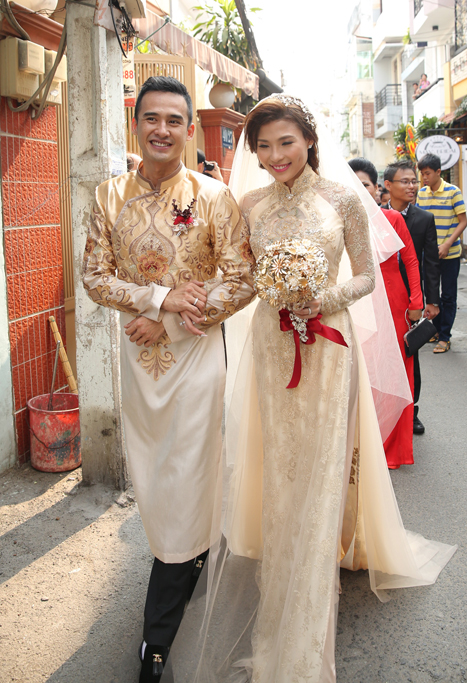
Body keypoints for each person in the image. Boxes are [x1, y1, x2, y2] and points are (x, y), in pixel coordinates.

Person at [180, 95, 456, 683]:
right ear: (252, 151)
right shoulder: (247, 204)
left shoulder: (341, 199)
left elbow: (362, 276)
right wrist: (197, 308)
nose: (275, 155)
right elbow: (243, 280)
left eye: (286, 142)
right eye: (263, 145)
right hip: (272, 349)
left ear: (308, 139)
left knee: (324, 467)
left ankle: (307, 610)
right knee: (282, 468)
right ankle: (285, 568)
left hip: (330, 350)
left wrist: (318, 300)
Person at [82, 75, 255, 683]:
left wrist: (175, 325)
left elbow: (242, 279)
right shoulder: (107, 197)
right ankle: (192, 557)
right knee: (157, 488)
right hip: (139, 363)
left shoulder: (214, 197)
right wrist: (156, 301)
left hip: (199, 360)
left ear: (188, 129)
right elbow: (94, 277)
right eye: (150, 118)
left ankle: (158, 642)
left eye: (173, 121)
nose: (161, 130)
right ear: (137, 124)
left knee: (184, 481)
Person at [349, 157, 423, 468]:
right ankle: (363, 443)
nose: (359, 189)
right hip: (356, 302)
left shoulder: (392, 218)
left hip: (394, 303)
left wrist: (416, 302)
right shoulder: (339, 219)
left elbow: (411, 260)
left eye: (364, 183)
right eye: (352, 183)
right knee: (363, 371)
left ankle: (392, 447)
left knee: (393, 371)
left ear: (376, 188)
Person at [383, 159, 440, 434]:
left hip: (410, 301)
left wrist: (431, 301)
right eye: (405, 181)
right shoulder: (376, 217)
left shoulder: (424, 219)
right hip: (382, 296)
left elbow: (429, 262)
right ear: (388, 185)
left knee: (410, 354)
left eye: (414, 181)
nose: (412, 186)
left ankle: (411, 410)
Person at [417, 153, 467, 353]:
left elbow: (463, 221)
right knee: (431, 295)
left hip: (450, 255)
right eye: (422, 174)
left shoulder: (453, 192)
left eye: (427, 173)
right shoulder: (421, 194)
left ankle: (445, 337)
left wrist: (446, 244)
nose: (424, 177)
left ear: (438, 172)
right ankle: (435, 331)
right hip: (428, 256)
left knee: (448, 296)